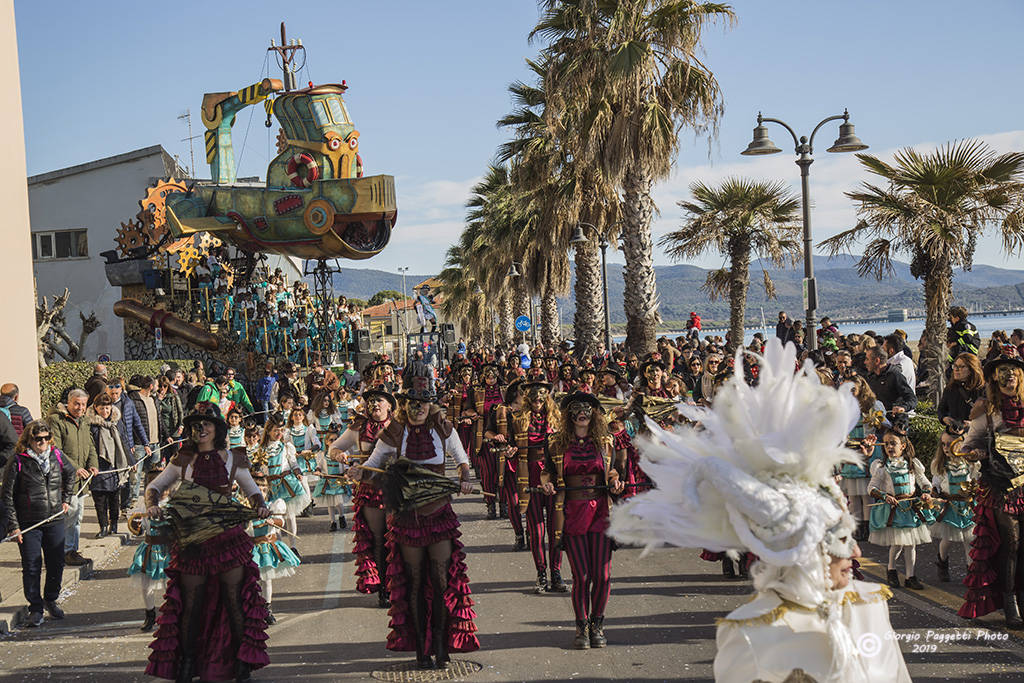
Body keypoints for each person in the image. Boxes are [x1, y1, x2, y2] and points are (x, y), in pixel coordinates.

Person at [610, 339, 910, 682]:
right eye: (841, 538)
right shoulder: (750, 632)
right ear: (802, 546)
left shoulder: (868, 608)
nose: (856, 551)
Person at [354, 383, 479, 670]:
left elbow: (462, 459)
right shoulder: (395, 433)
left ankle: (439, 643)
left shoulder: (443, 429)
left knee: (441, 580)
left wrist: (465, 478)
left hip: (438, 514)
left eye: (423, 403)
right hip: (407, 517)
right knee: (414, 582)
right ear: (404, 405)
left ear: (431, 405)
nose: (418, 408)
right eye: (412, 402)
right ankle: (421, 649)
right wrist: (359, 472)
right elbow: (373, 465)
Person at [143, 402, 270, 681]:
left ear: (218, 429)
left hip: (227, 540)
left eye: (206, 424)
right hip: (193, 541)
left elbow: (252, 491)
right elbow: (154, 486)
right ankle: (187, 663)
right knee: (191, 603)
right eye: (195, 425)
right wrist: (152, 505)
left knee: (234, 599)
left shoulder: (232, 457)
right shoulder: (183, 459)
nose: (200, 429)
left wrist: (260, 505)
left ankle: (241, 664)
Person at [543, 392, 623, 649]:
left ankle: (597, 624)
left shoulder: (605, 441)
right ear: (568, 415)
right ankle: (581, 627)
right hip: (572, 513)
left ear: (594, 413)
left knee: (603, 575)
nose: (582, 413)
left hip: (601, 510)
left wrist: (615, 481)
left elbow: (612, 470)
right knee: (582, 575)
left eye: (587, 409)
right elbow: (547, 472)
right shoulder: (556, 442)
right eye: (576, 409)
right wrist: (546, 484)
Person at [959, 354, 1024, 625]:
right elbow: (966, 445)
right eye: (1004, 370)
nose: (1010, 375)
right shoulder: (987, 410)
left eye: (1015, 371)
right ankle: (1010, 604)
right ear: (995, 377)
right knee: (1011, 544)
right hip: (1000, 488)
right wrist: (974, 453)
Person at [0, 420, 76, 627]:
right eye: (37, 439)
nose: (42, 442)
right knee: (32, 565)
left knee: (56, 563)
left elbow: (71, 473)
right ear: (29, 440)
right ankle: (35, 607)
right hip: (29, 522)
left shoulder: (56, 455)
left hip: (54, 519)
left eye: (46, 438)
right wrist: (14, 526)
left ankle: (50, 599)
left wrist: (66, 499)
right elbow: (6, 496)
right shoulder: (17, 461)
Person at [332, 389, 395, 603]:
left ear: (390, 406)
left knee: (400, 538)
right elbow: (333, 447)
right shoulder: (358, 428)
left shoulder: (400, 426)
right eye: (370, 401)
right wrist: (340, 455)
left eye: (380, 400)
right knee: (380, 538)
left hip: (397, 490)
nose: (374, 404)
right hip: (370, 490)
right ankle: (384, 590)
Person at [513, 380, 568, 593]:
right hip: (531, 476)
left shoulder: (559, 419)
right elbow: (511, 444)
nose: (538, 400)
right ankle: (541, 573)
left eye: (542, 395)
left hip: (554, 477)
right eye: (534, 396)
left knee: (556, 529)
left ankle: (556, 572)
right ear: (528, 398)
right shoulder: (518, 419)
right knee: (536, 531)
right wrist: (510, 449)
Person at [868, 428, 934, 589]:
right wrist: (885, 496)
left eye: (893, 443)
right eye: (886, 444)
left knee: (910, 544)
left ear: (903, 446)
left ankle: (911, 576)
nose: (889, 447)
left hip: (910, 509)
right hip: (895, 510)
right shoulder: (882, 467)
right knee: (897, 544)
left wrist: (925, 493)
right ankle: (891, 570)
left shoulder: (912, 465)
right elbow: (871, 488)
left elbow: (925, 483)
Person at [46, 389, 98, 567]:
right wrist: (75, 468)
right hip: (65, 478)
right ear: (68, 402)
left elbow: (90, 444)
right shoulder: (56, 420)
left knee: (78, 515)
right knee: (69, 514)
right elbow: (56, 449)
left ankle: (72, 550)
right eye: (77, 403)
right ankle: (65, 551)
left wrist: (93, 464)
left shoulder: (84, 420)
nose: (80, 408)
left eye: (83, 404)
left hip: (82, 479)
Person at [930, 427, 978, 583]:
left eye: (950, 444)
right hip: (950, 508)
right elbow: (935, 484)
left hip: (968, 506)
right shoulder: (940, 465)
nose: (946, 448)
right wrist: (934, 494)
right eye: (943, 444)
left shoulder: (970, 464)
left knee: (970, 541)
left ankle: (971, 572)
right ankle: (942, 562)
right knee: (947, 540)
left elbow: (977, 478)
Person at [484, 380, 527, 549]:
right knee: (514, 501)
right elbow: (487, 431)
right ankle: (519, 534)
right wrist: (496, 437)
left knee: (530, 501)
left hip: (527, 461)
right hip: (508, 461)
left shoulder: (534, 412)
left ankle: (532, 534)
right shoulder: (498, 409)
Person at [128, 468, 172, 632]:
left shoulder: (172, 504)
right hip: (149, 548)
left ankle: (171, 615)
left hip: (168, 550)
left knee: (170, 583)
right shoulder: (144, 505)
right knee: (147, 585)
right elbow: (137, 526)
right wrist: (137, 525)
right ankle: (150, 614)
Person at [87, 394, 131, 538]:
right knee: (99, 500)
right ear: (95, 408)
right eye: (102, 408)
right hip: (98, 466)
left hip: (115, 465)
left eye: (107, 408)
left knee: (114, 498)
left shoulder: (116, 422)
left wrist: (130, 461)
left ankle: (114, 525)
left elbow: (124, 441)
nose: (105, 411)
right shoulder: (90, 424)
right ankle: (103, 526)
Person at [863, 347, 916, 415]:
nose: (865, 362)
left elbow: (912, 399)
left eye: (867, 359)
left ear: (877, 361)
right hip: (877, 421)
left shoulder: (895, 375)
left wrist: (903, 407)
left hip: (894, 422)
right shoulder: (870, 377)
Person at [939, 353, 985, 429]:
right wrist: (944, 418)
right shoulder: (950, 389)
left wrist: (973, 425)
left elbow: (992, 416)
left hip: (977, 435)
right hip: (955, 434)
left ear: (971, 369)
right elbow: (942, 409)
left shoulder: (983, 390)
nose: (956, 369)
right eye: (955, 366)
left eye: (961, 367)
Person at [128, 376, 161, 474]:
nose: (158, 387)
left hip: (155, 443)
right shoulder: (133, 399)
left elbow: (159, 420)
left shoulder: (154, 399)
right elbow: (130, 423)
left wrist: (166, 436)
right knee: (135, 478)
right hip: (139, 445)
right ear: (151, 386)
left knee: (154, 477)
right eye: (157, 385)